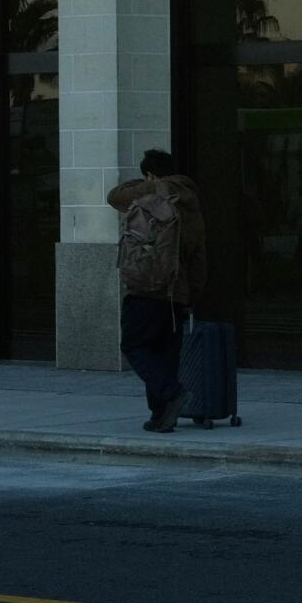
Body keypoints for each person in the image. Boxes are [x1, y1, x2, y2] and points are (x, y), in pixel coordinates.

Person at [107, 148, 207, 433]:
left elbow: (114, 196)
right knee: (165, 353)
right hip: (178, 291)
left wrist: (142, 182)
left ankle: (171, 393)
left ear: (149, 173)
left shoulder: (148, 192)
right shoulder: (190, 201)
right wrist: (194, 292)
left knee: (135, 345)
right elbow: (199, 253)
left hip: (145, 287)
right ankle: (162, 416)